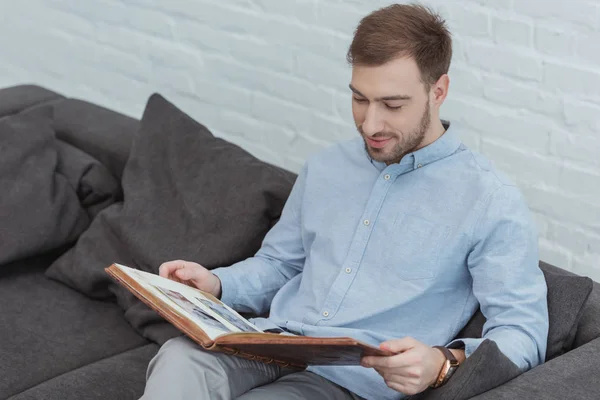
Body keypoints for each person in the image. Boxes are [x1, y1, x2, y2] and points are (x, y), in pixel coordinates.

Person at [140, 3, 549, 400]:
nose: (370, 124)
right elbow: (281, 264)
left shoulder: (489, 201)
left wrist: (443, 362)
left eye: (392, 105)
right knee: (180, 357)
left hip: (350, 379)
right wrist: (217, 283)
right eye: (359, 99)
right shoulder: (326, 166)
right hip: (269, 340)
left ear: (438, 90)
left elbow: (523, 333)